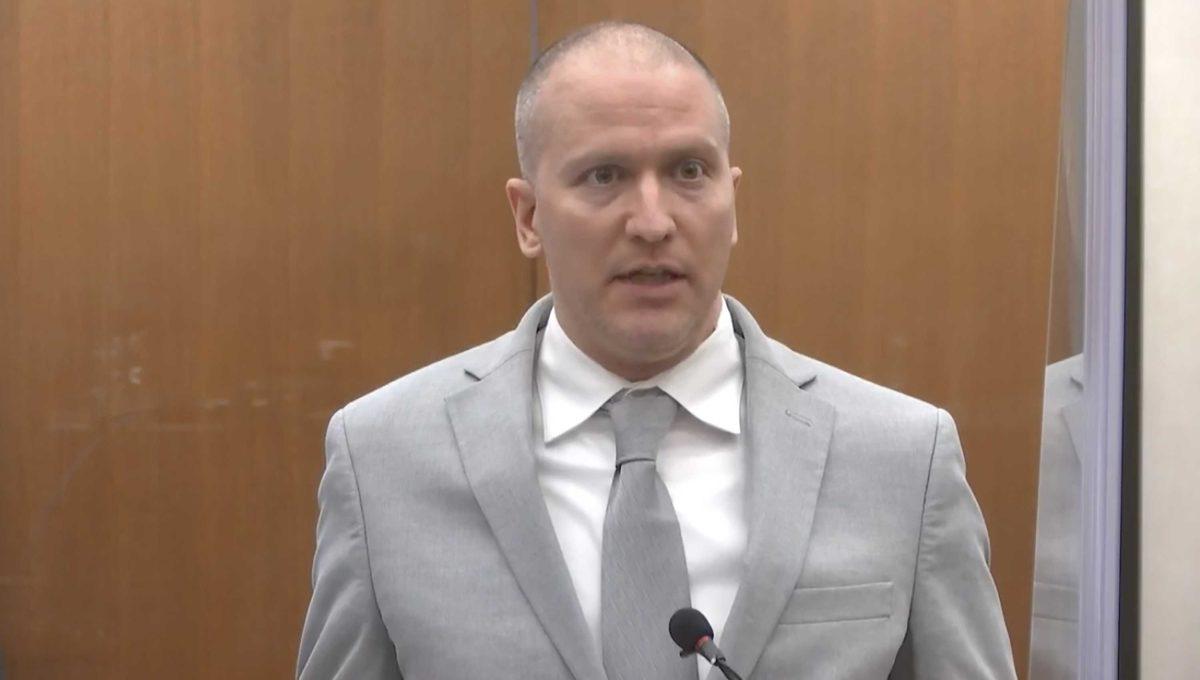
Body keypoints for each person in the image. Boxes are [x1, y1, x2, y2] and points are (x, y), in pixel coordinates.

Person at [297, 21, 1016, 680]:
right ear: (528, 216)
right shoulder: (382, 459)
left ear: (732, 204)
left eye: (688, 173)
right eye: (603, 176)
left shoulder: (902, 457)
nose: (652, 221)